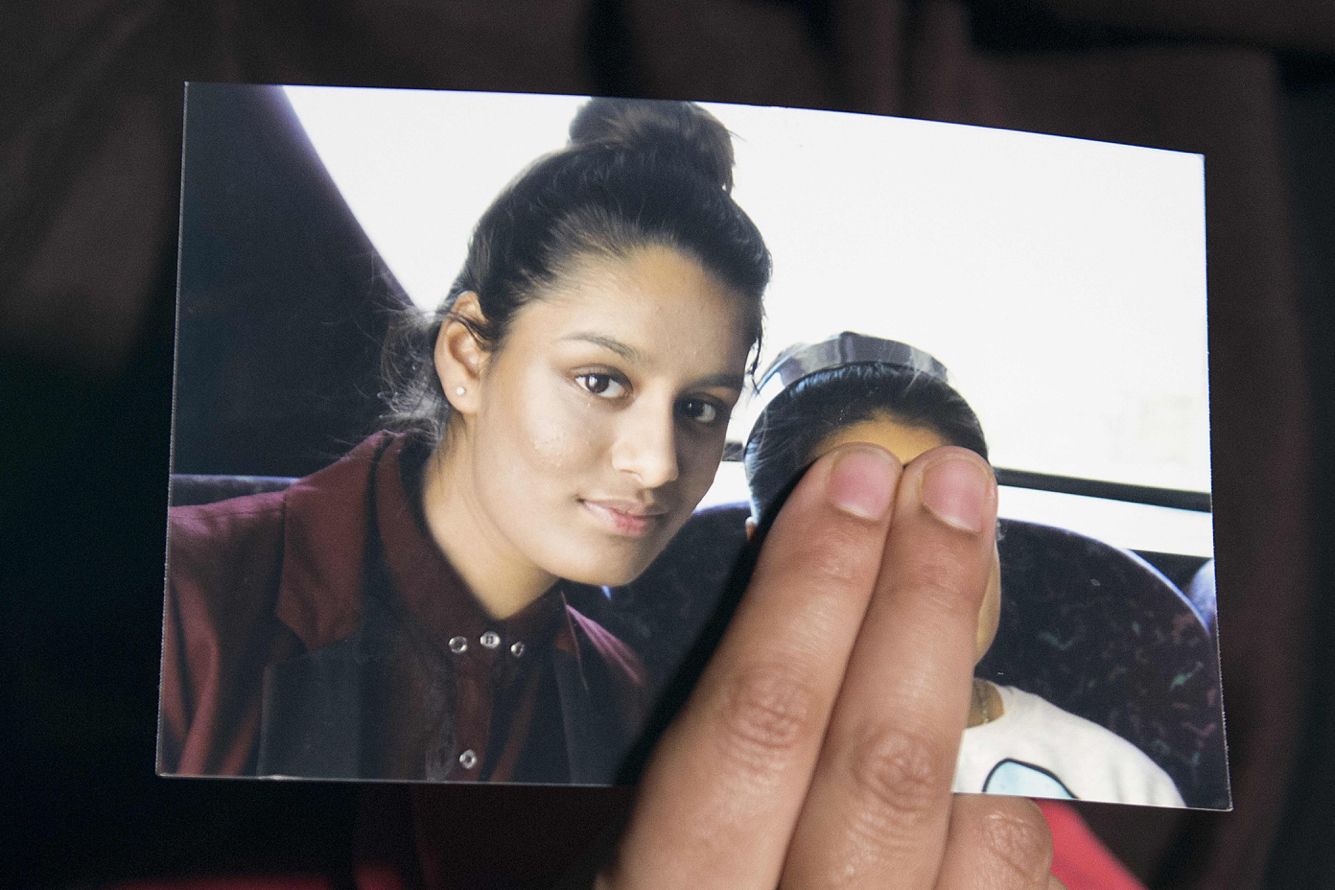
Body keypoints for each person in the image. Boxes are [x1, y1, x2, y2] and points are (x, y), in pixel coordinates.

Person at [159, 97, 772, 783]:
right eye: (600, 381)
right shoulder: (181, 600)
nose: (658, 464)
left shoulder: (620, 700)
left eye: (699, 407)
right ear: (467, 358)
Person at [742, 332, 1185, 807]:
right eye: (861, 525)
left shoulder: (1119, 782)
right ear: (760, 556)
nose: (922, 573)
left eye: (951, 519)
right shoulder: (727, 766)